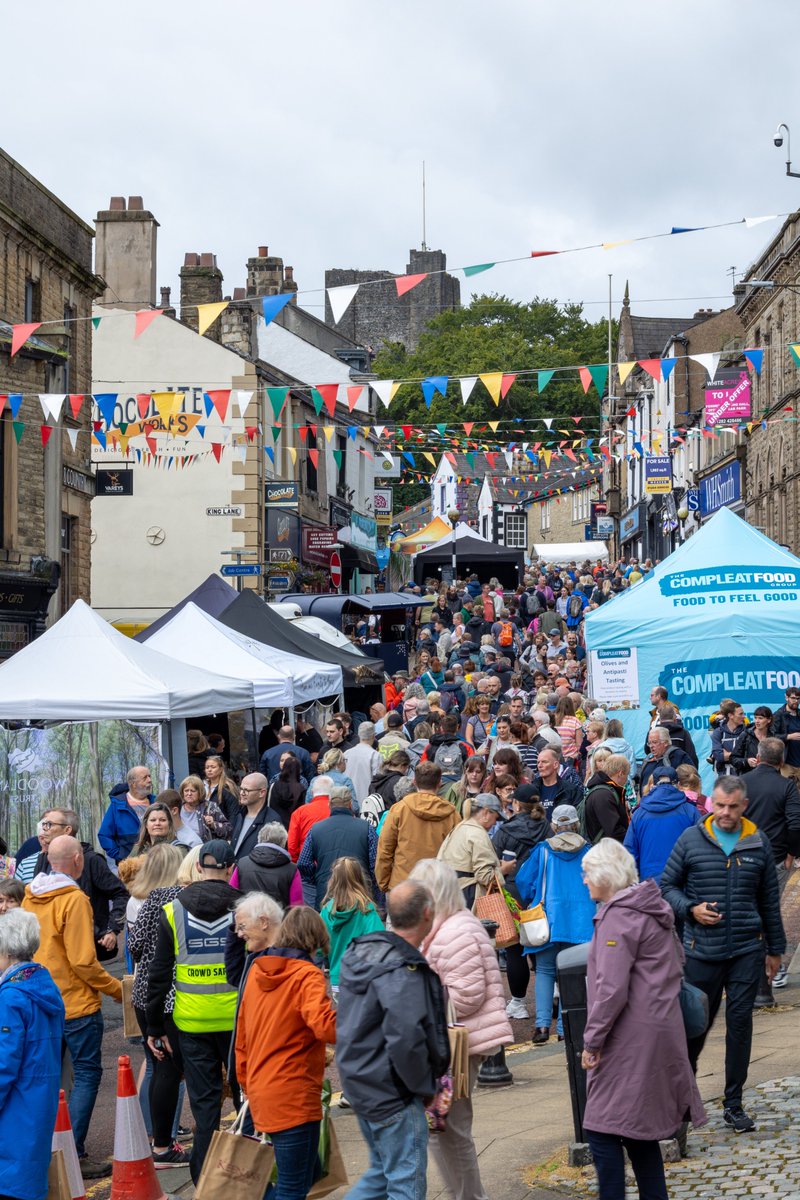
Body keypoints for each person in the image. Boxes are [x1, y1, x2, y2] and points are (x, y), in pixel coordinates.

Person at [661, 776, 786, 1133]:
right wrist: (691, 909)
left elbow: (768, 902)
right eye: (719, 806)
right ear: (711, 803)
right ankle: (683, 1104)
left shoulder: (757, 842)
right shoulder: (691, 839)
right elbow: (667, 886)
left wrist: (775, 949)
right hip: (701, 951)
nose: (725, 813)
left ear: (743, 806)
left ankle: (733, 1103)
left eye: (732, 806)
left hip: (746, 949)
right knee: (694, 1028)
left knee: (741, 1027)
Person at [581, 839, 706, 1199]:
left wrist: (592, 1042)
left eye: (587, 874)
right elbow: (676, 962)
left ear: (605, 876)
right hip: (656, 1031)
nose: (584, 881)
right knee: (638, 1132)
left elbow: (610, 990)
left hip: (628, 1038)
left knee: (602, 1129)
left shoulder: (619, 917)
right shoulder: (649, 908)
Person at [336, 880, 450, 1200]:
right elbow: (407, 1039)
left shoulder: (364, 952)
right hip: (393, 1092)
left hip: (363, 1081)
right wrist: (425, 1086)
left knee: (382, 1176)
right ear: (427, 914)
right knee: (404, 1183)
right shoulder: (402, 967)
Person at [411, 859, 512, 1200]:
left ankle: (470, 1196)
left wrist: (419, 999)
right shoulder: (448, 925)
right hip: (452, 1042)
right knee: (442, 1129)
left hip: (458, 1045)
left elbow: (466, 996)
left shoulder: (457, 930)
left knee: (450, 1129)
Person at [22, 836, 123, 1178]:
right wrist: (116, 990)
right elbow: (83, 962)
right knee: (87, 1074)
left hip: (39, 1000)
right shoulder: (75, 899)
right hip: (76, 1004)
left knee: (47, 1077)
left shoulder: (29, 895)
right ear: (79, 859)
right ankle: (72, 1152)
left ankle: (47, 1149)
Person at [146, 839, 239, 1183]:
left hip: (191, 1022)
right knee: (247, 1101)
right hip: (237, 1022)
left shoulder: (172, 910)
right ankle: (249, 1175)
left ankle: (204, 1183)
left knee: (205, 1109)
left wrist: (154, 1027)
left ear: (198, 868)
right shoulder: (244, 908)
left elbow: (157, 976)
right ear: (231, 870)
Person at [235, 907, 337, 1200]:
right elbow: (325, 1027)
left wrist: (246, 1083)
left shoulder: (256, 971)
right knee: (293, 1189)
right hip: (293, 1093)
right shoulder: (307, 974)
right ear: (316, 938)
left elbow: (241, 1034)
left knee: (310, 1173)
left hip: (261, 1087)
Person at [127, 843, 189, 1168]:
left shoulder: (150, 900)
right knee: (170, 1071)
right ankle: (163, 1146)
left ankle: (155, 1138)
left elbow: (134, 945)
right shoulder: (179, 899)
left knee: (155, 1065)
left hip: (143, 994)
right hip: (169, 996)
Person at [515, 805, 596, 1044]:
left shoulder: (543, 850)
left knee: (545, 971)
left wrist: (532, 897)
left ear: (554, 826)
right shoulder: (589, 852)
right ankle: (564, 1028)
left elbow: (523, 881)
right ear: (576, 824)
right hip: (581, 922)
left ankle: (541, 1027)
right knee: (571, 975)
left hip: (548, 920)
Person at [0, 909, 65, 1200]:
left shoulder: (11, 997)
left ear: (6, 951)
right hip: (38, 1098)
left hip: (14, 1105)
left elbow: (4, 1063)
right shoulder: (43, 986)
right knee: (30, 1180)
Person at [735, 737, 800, 994]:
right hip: (775, 858)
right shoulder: (787, 787)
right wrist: (792, 854)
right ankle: (775, 968)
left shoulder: (742, 783)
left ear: (758, 757)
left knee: (749, 910)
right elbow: (795, 823)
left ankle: (751, 970)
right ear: (782, 761)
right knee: (771, 911)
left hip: (743, 857)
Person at [29, 807, 128, 963]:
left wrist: (112, 930)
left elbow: (121, 894)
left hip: (87, 950)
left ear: (67, 830)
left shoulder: (91, 860)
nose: (44, 829)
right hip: (52, 951)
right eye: (43, 824)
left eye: (49, 824)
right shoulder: (43, 859)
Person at [375, 762, 461, 892]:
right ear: (440, 783)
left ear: (414, 782)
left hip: (402, 884)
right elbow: (457, 854)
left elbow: (385, 849)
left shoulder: (399, 809)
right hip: (437, 886)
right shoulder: (452, 814)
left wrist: (384, 883)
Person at [298, 786, 378, 910]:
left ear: (329, 804)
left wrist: (319, 878)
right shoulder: (367, 828)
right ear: (350, 804)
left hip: (326, 895)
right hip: (359, 896)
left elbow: (303, 863)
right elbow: (375, 865)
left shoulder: (315, 829)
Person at [623, 766, 701, 882]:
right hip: (681, 884)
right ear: (678, 785)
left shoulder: (639, 814)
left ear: (652, 785)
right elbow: (699, 850)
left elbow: (630, 854)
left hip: (649, 884)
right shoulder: (691, 812)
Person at [321, 858, 384, 995]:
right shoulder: (366, 910)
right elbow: (379, 942)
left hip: (336, 979)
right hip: (361, 978)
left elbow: (318, 946)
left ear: (333, 880)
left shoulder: (326, 911)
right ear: (359, 878)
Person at [436, 794, 508, 909]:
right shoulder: (478, 833)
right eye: (496, 817)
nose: (495, 823)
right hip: (469, 897)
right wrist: (503, 870)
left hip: (450, 894)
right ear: (486, 813)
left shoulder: (458, 828)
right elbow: (485, 876)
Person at [231, 822, 303, 907]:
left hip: (246, 917)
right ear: (283, 842)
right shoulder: (292, 870)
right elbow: (296, 906)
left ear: (259, 839)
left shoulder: (242, 864)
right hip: (278, 919)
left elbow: (232, 895)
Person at [98, 766, 155, 864]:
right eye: (145, 777)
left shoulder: (156, 803)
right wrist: (120, 856)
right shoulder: (117, 805)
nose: (149, 780)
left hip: (155, 864)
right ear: (133, 784)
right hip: (129, 868)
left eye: (150, 776)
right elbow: (104, 835)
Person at [231, 773, 282, 863]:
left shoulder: (272, 821)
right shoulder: (239, 815)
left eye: (246, 790)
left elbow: (272, 858)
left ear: (262, 793)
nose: (242, 793)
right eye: (241, 789)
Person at [583, 754, 631, 843]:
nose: (626, 779)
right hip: (606, 851)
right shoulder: (603, 795)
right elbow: (613, 831)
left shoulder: (604, 791)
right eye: (627, 775)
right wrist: (632, 838)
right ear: (620, 773)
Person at [287, 775, 333, 863]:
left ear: (312, 792)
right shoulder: (338, 811)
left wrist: (297, 862)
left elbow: (292, 845)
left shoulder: (299, 812)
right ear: (332, 792)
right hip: (332, 864)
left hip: (306, 862)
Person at [531, 747, 583, 822]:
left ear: (555, 765)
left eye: (544, 762)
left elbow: (578, 818)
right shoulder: (532, 790)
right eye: (538, 762)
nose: (540, 765)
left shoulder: (570, 790)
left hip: (562, 832)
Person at [179, 774, 231, 844]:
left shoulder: (210, 807)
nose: (189, 794)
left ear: (200, 792)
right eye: (186, 791)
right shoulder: (177, 809)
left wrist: (213, 824)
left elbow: (228, 830)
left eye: (192, 791)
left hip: (204, 850)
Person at [640, 727, 693, 794]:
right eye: (649, 743)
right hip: (647, 803)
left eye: (654, 742)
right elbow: (641, 789)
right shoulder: (647, 761)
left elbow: (691, 780)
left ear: (665, 743)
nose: (651, 746)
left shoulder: (679, 756)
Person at [344, 721, 382, 807]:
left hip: (348, 800)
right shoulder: (375, 755)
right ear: (373, 735)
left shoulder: (346, 753)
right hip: (367, 803)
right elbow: (378, 780)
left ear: (359, 734)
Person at [267, 753, 307, 829]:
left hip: (275, 826)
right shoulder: (301, 788)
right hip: (294, 827)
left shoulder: (274, 785)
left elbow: (269, 805)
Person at [731, 706, 774, 774]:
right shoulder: (745, 735)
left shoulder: (773, 737)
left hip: (767, 776)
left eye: (760, 718)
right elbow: (733, 759)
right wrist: (746, 762)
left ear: (769, 720)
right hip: (748, 777)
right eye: (755, 718)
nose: (757, 721)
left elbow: (777, 760)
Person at [771, 686, 800, 781]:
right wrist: (789, 736)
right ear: (786, 697)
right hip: (787, 762)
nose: (796, 701)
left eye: (798, 698)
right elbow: (772, 736)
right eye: (793, 698)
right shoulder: (778, 715)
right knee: (789, 792)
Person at [710, 702, 746, 777]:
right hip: (724, 777)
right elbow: (718, 756)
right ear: (730, 715)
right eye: (741, 714)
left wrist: (727, 754)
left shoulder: (746, 732)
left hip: (743, 776)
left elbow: (748, 755)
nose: (744, 717)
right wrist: (738, 755)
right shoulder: (718, 732)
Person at [204, 755, 240, 825]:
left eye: (213, 767)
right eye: (207, 767)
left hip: (223, 829)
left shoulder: (227, 787)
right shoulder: (202, 786)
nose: (209, 770)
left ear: (221, 769)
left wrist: (230, 831)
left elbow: (233, 813)